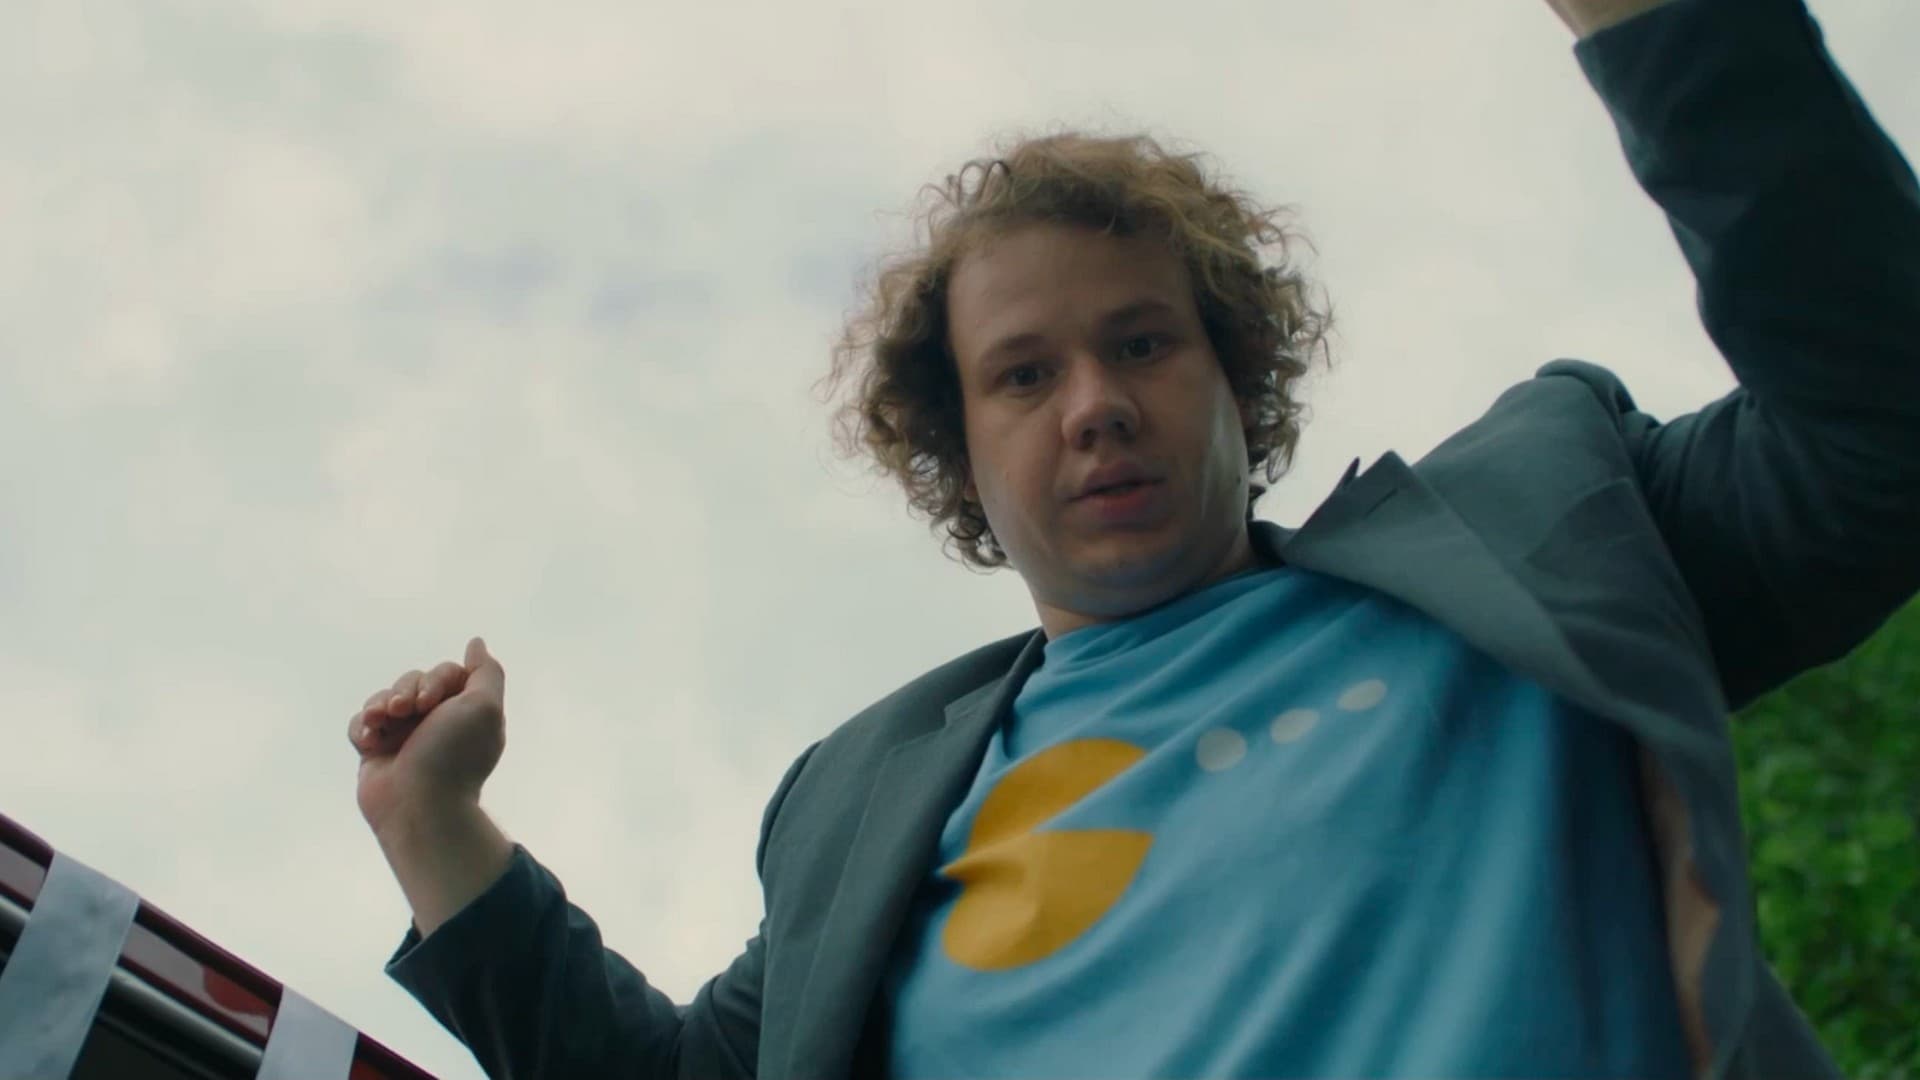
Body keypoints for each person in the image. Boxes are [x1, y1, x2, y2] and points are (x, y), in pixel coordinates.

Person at [344, 0, 1920, 1076]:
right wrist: (436, 829)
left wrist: (1664, 25)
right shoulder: (868, 805)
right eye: (1025, 376)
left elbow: (1882, 429)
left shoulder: (1541, 536)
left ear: (1237, 380)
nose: (1095, 404)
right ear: (962, 453)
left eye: (1144, 344)